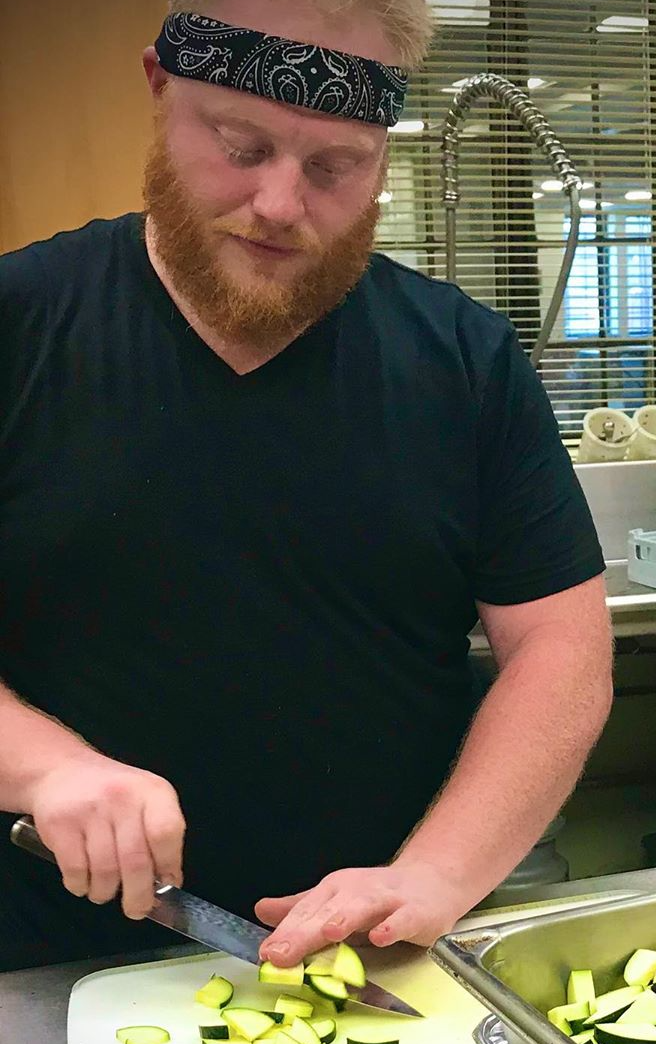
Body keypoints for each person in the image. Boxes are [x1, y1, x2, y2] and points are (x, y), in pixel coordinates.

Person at [0, 0, 613, 973]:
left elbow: (560, 648)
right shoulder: (19, 325)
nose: (281, 205)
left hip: (383, 959)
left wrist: (438, 873)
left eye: (334, 166)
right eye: (241, 146)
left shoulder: (466, 362)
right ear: (160, 90)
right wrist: (44, 766)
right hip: (48, 967)